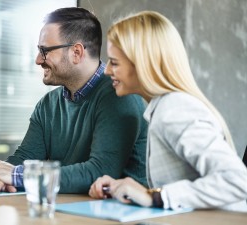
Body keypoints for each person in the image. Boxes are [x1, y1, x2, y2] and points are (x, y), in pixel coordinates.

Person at [0, 7, 148, 196]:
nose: (38, 60)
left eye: (45, 50)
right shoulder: (48, 104)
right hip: (72, 211)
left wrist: (16, 175)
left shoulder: (119, 96)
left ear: (76, 52)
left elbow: (101, 171)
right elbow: (25, 158)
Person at [89, 11, 247, 212]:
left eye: (115, 62)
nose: (106, 70)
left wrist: (155, 197)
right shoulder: (163, 107)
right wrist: (125, 187)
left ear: (144, 63)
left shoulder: (175, 109)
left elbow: (237, 181)